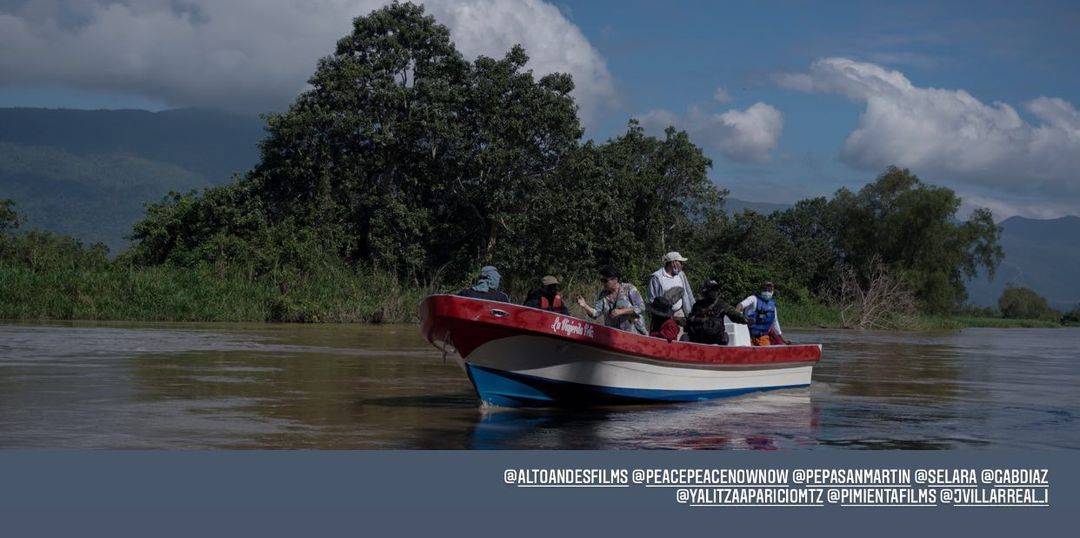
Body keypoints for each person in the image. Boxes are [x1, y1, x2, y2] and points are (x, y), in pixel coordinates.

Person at [575, 266, 647, 335]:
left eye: (605, 281)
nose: (603, 283)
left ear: (615, 280)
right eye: (602, 280)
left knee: (621, 304)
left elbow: (641, 307)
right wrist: (585, 306)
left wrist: (622, 311)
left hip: (634, 334)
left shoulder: (629, 288)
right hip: (613, 336)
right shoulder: (603, 295)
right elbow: (595, 314)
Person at [686, 278, 748, 345]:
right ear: (706, 290)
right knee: (686, 336)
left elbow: (733, 314)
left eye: (716, 289)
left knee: (724, 337)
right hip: (698, 340)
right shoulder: (697, 305)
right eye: (712, 289)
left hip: (715, 340)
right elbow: (690, 320)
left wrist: (744, 319)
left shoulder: (721, 304)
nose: (715, 291)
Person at [647, 252, 695, 327]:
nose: (682, 265)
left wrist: (693, 310)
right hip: (662, 315)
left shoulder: (681, 275)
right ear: (673, 263)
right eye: (680, 262)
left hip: (679, 313)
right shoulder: (657, 277)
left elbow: (688, 293)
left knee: (679, 333)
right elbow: (652, 299)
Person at [738, 281, 788, 346]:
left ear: (772, 292)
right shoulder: (753, 299)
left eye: (769, 290)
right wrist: (739, 316)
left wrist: (783, 339)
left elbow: (775, 323)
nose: (767, 292)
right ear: (761, 290)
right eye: (765, 290)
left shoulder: (772, 306)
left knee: (766, 347)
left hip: (763, 337)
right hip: (748, 335)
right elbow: (740, 305)